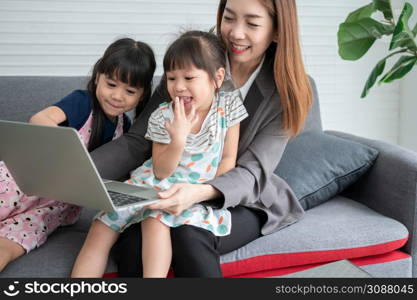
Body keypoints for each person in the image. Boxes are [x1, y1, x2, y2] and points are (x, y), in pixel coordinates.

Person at [90, 0, 313, 277]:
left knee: (187, 235)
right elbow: (139, 140)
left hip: (242, 197)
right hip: (173, 182)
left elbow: (252, 171)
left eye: (252, 24)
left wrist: (198, 193)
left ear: (277, 31)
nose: (236, 33)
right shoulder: (191, 58)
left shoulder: (287, 90)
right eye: (229, 18)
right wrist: (79, 174)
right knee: (134, 243)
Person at [71, 30, 248, 278]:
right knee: (100, 227)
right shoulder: (163, 115)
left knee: (155, 220)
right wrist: (178, 138)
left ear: (217, 77)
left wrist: (210, 193)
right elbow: (161, 170)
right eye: (172, 78)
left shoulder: (228, 107)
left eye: (188, 77)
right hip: (152, 183)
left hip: (194, 191)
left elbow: (229, 157)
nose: (178, 87)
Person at [0, 38, 156, 272]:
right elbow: (40, 119)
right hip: (21, 182)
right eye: (111, 84)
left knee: (8, 247)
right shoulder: (83, 101)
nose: (117, 96)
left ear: (142, 95)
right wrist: (67, 155)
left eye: (130, 91)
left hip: (52, 207)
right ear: (97, 78)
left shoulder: (126, 127)